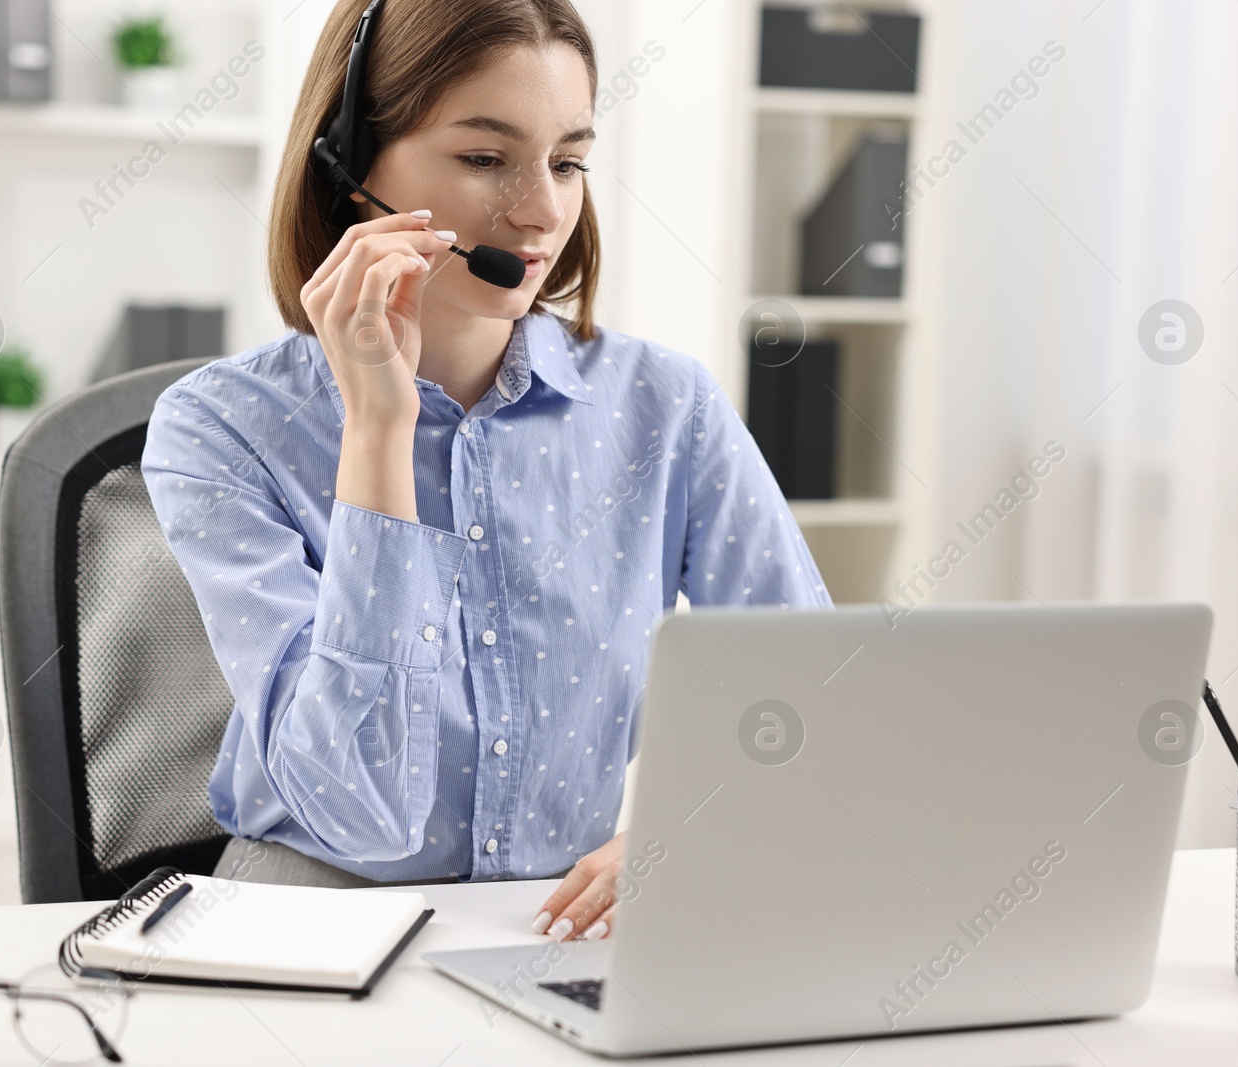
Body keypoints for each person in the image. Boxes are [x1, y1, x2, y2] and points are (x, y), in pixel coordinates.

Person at [142, 0, 832, 944]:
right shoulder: (220, 427)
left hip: (553, 924)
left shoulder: (664, 405)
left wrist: (701, 824)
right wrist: (379, 431)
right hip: (304, 926)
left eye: (569, 160)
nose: (542, 209)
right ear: (349, 165)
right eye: (483, 158)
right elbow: (361, 811)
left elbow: (809, 695)